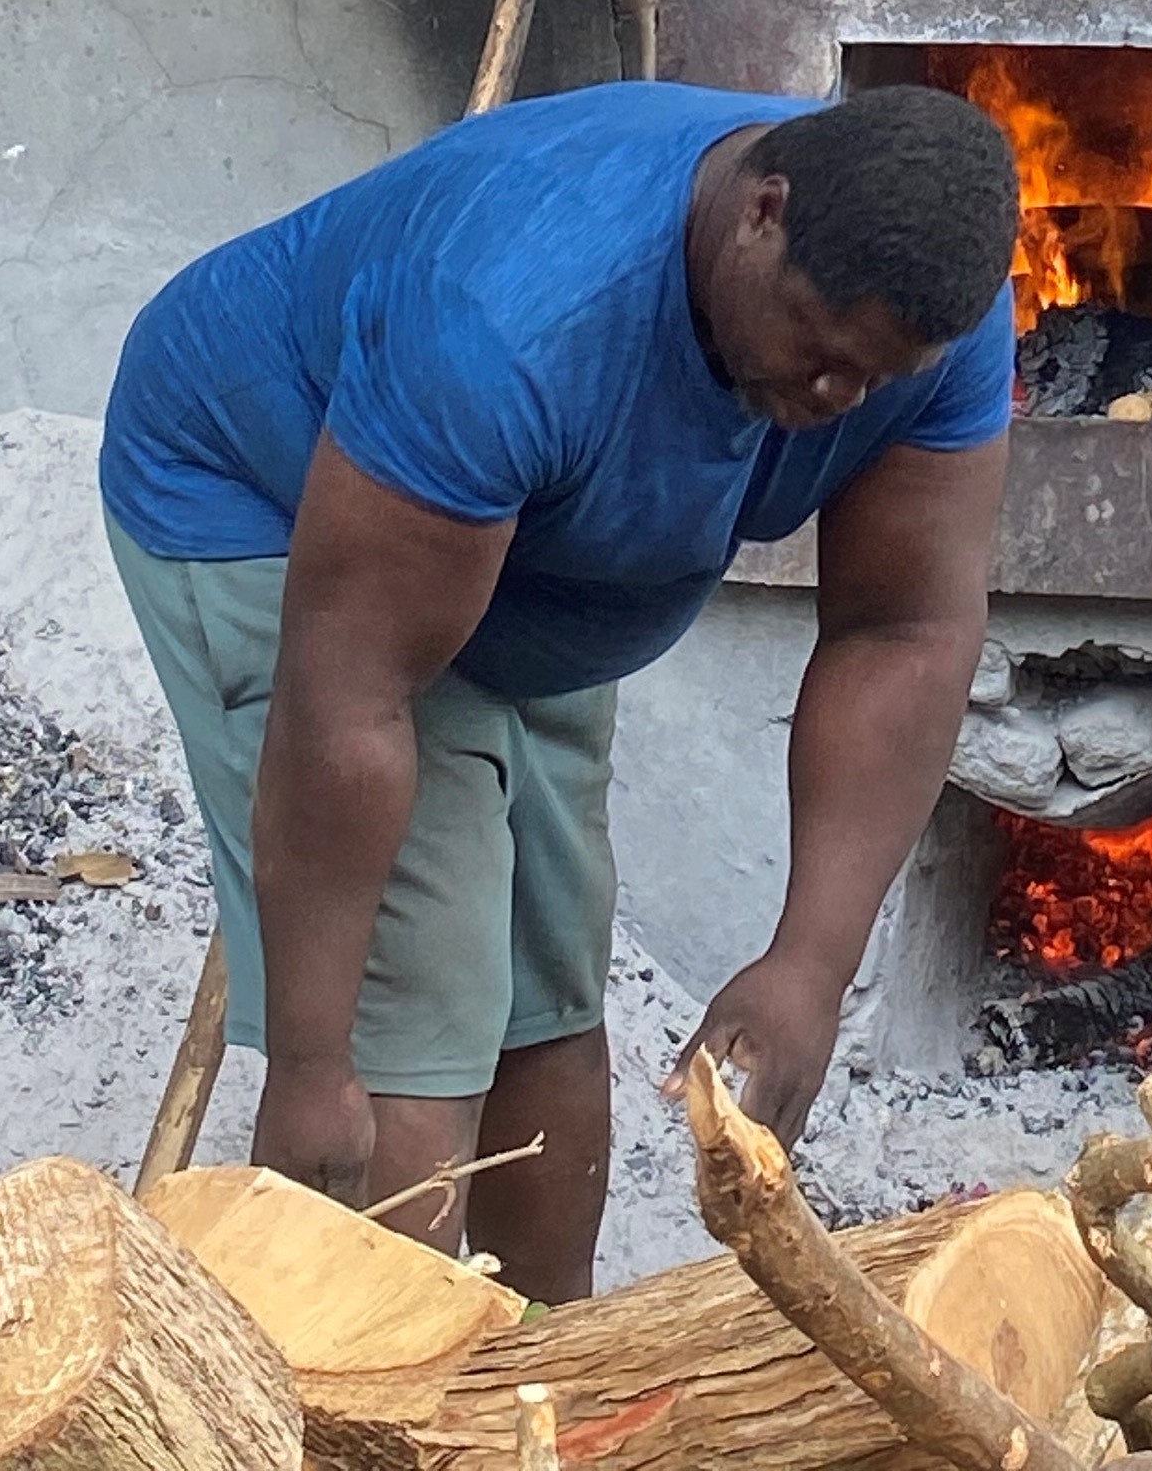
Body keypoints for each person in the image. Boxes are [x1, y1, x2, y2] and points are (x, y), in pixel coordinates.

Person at [99, 77, 1018, 1301]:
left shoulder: (927, 318)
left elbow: (901, 629)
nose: (835, 399)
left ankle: (551, 1390)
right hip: (263, 498)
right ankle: (397, 1416)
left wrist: (811, 961)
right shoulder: (509, 318)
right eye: (817, 346)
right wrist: (318, 1064)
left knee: (544, 1010)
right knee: (415, 1045)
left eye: (876, 377)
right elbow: (351, 702)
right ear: (763, 211)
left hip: (536, 560)